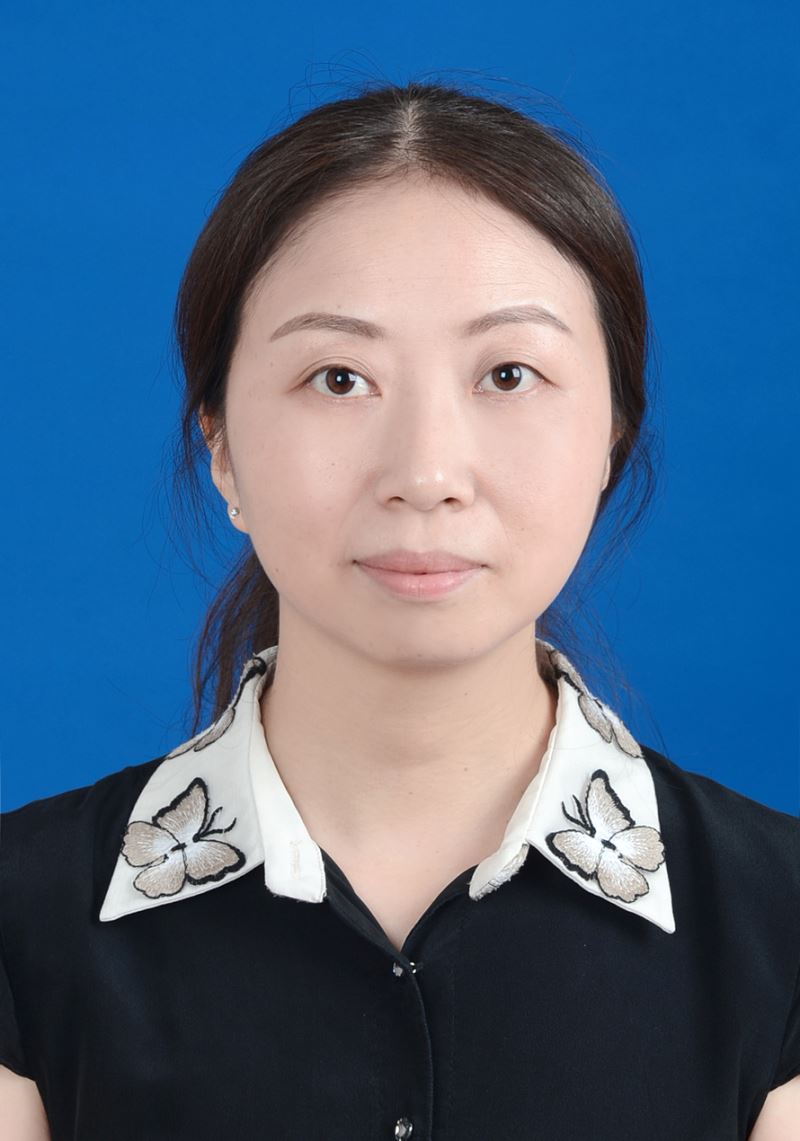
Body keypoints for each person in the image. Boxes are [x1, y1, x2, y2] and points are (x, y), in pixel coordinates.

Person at [1, 79, 798, 1141]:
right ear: (221, 447)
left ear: (610, 434)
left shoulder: (777, 925)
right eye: (339, 378)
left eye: (507, 373)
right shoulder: (23, 920)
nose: (425, 473)